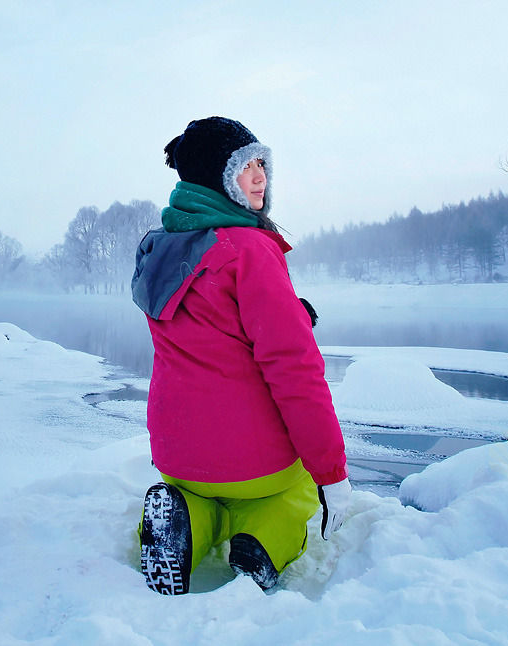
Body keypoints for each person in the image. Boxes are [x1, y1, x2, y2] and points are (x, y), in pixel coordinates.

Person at [131, 116, 352, 595]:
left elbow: (211, 330)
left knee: (201, 493)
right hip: (255, 458)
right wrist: (331, 473)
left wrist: (292, 312)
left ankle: (189, 519)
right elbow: (294, 369)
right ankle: (258, 544)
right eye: (243, 166)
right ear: (216, 178)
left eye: (262, 164)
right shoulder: (249, 249)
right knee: (291, 493)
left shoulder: (161, 249)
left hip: (177, 452)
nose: (259, 177)